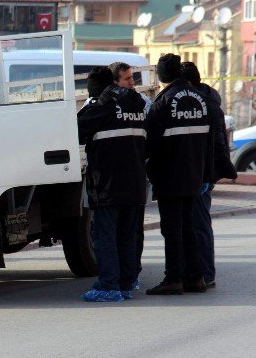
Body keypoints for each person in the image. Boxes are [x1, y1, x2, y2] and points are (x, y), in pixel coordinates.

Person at [77, 67, 147, 302]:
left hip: (108, 185)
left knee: (105, 236)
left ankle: (108, 285)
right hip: (135, 183)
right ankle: (127, 283)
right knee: (128, 236)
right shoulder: (136, 104)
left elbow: (75, 130)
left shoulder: (101, 107)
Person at [145, 54, 213, 295]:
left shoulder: (163, 102)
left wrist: (150, 169)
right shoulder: (199, 98)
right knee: (189, 226)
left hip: (170, 176)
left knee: (172, 229)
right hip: (194, 173)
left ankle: (174, 278)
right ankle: (196, 277)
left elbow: (150, 143)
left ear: (161, 75)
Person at [181, 62, 237, 289]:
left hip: (201, 174)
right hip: (202, 173)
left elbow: (216, 144)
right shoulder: (208, 100)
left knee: (199, 224)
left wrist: (208, 176)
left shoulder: (205, 105)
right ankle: (201, 272)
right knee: (198, 223)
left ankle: (205, 273)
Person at [109, 61, 151, 290]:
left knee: (133, 232)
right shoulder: (105, 103)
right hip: (114, 179)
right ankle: (120, 276)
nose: (131, 83)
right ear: (114, 82)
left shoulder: (143, 103)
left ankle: (131, 275)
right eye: (127, 79)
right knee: (115, 233)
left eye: (132, 78)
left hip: (135, 176)